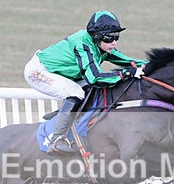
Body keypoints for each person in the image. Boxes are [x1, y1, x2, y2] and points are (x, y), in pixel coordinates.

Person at [24, 11, 147, 153]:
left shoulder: (101, 44)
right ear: (96, 36)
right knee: (75, 92)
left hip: (60, 73)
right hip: (38, 71)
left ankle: (63, 114)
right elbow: (95, 78)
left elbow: (128, 61)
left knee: (87, 89)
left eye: (116, 37)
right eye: (109, 38)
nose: (113, 42)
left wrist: (152, 65)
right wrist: (125, 74)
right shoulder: (82, 44)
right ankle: (56, 140)